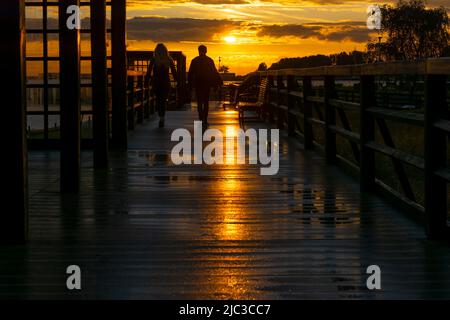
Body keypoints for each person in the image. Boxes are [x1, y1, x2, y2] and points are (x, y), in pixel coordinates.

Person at [188, 45, 223, 127]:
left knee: (199, 102)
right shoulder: (209, 60)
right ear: (206, 51)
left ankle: (201, 118)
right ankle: (205, 119)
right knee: (206, 101)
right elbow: (214, 72)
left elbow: (190, 74)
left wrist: (190, 85)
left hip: (198, 84)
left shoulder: (194, 60)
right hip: (206, 84)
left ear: (198, 50)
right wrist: (218, 82)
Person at [146, 43, 177, 128]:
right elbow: (174, 72)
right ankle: (162, 117)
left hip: (156, 83)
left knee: (158, 100)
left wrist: (146, 81)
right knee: (163, 100)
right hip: (166, 83)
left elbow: (149, 72)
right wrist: (177, 81)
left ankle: (160, 115)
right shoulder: (169, 60)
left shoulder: (154, 60)